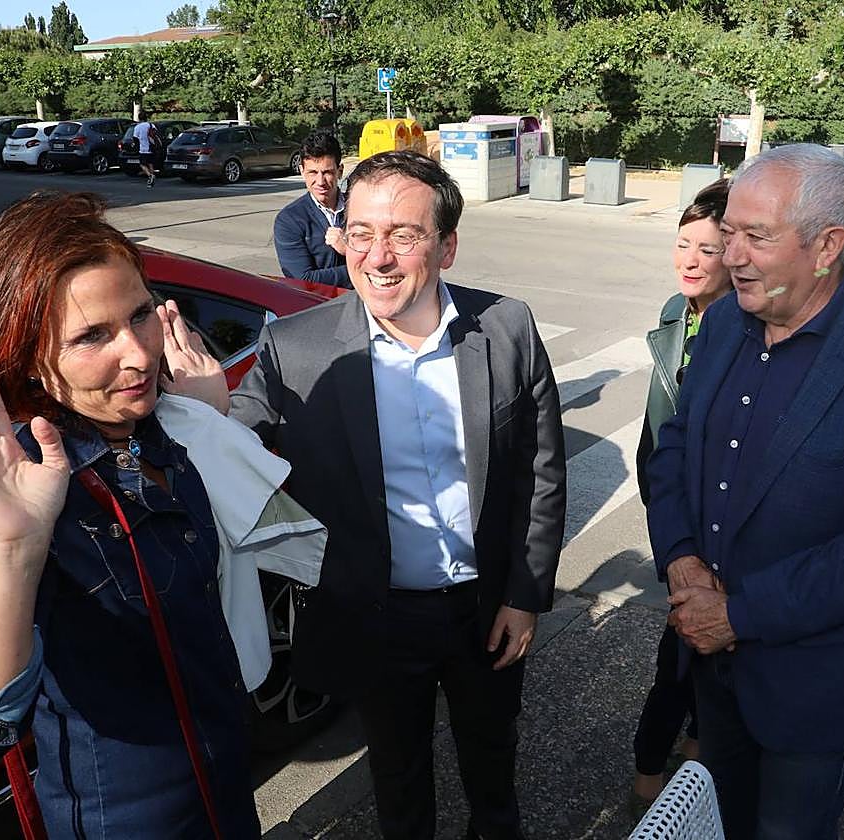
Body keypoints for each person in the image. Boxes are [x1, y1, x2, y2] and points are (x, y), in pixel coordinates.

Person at [231, 150, 567, 839]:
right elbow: (227, 452)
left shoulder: (506, 327)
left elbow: (540, 471)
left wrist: (524, 595)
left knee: (492, 762)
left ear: (446, 246)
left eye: (403, 235)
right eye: (359, 233)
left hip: (484, 610)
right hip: (377, 617)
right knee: (398, 778)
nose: (377, 257)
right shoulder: (295, 348)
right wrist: (193, 410)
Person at [646, 144, 844, 839]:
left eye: (756, 237)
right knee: (719, 818)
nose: (730, 256)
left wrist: (738, 615)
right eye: (728, 232)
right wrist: (680, 561)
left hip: (815, 686)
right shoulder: (724, 321)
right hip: (709, 664)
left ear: (827, 246)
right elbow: (674, 447)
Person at [0, 192, 259, 839]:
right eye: (91, 336)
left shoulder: (158, 428)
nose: (139, 356)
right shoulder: (17, 490)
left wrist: (206, 420)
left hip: (226, 791)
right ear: (26, 356)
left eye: (141, 315)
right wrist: (16, 545)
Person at [631, 178, 731, 805]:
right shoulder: (677, 311)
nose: (690, 261)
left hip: (720, 517)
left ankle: (683, 750)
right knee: (683, 647)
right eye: (682, 244)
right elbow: (657, 426)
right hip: (675, 512)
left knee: (696, 649)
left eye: (708, 249)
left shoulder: (746, 327)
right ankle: (651, 770)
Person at [272, 130, 352, 288]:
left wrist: (348, 250)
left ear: (340, 171)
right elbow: (303, 280)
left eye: (327, 172)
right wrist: (361, 266)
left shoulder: (362, 208)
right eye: (313, 173)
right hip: (318, 302)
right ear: (302, 172)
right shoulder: (289, 220)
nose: (320, 181)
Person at [132, 112, 159, 187]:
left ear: (139, 118)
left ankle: (150, 176)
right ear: (146, 118)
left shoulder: (137, 127)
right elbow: (156, 134)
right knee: (150, 163)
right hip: (152, 147)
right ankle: (152, 178)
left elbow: (135, 138)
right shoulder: (151, 125)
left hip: (143, 149)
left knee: (142, 164)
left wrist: (136, 147)